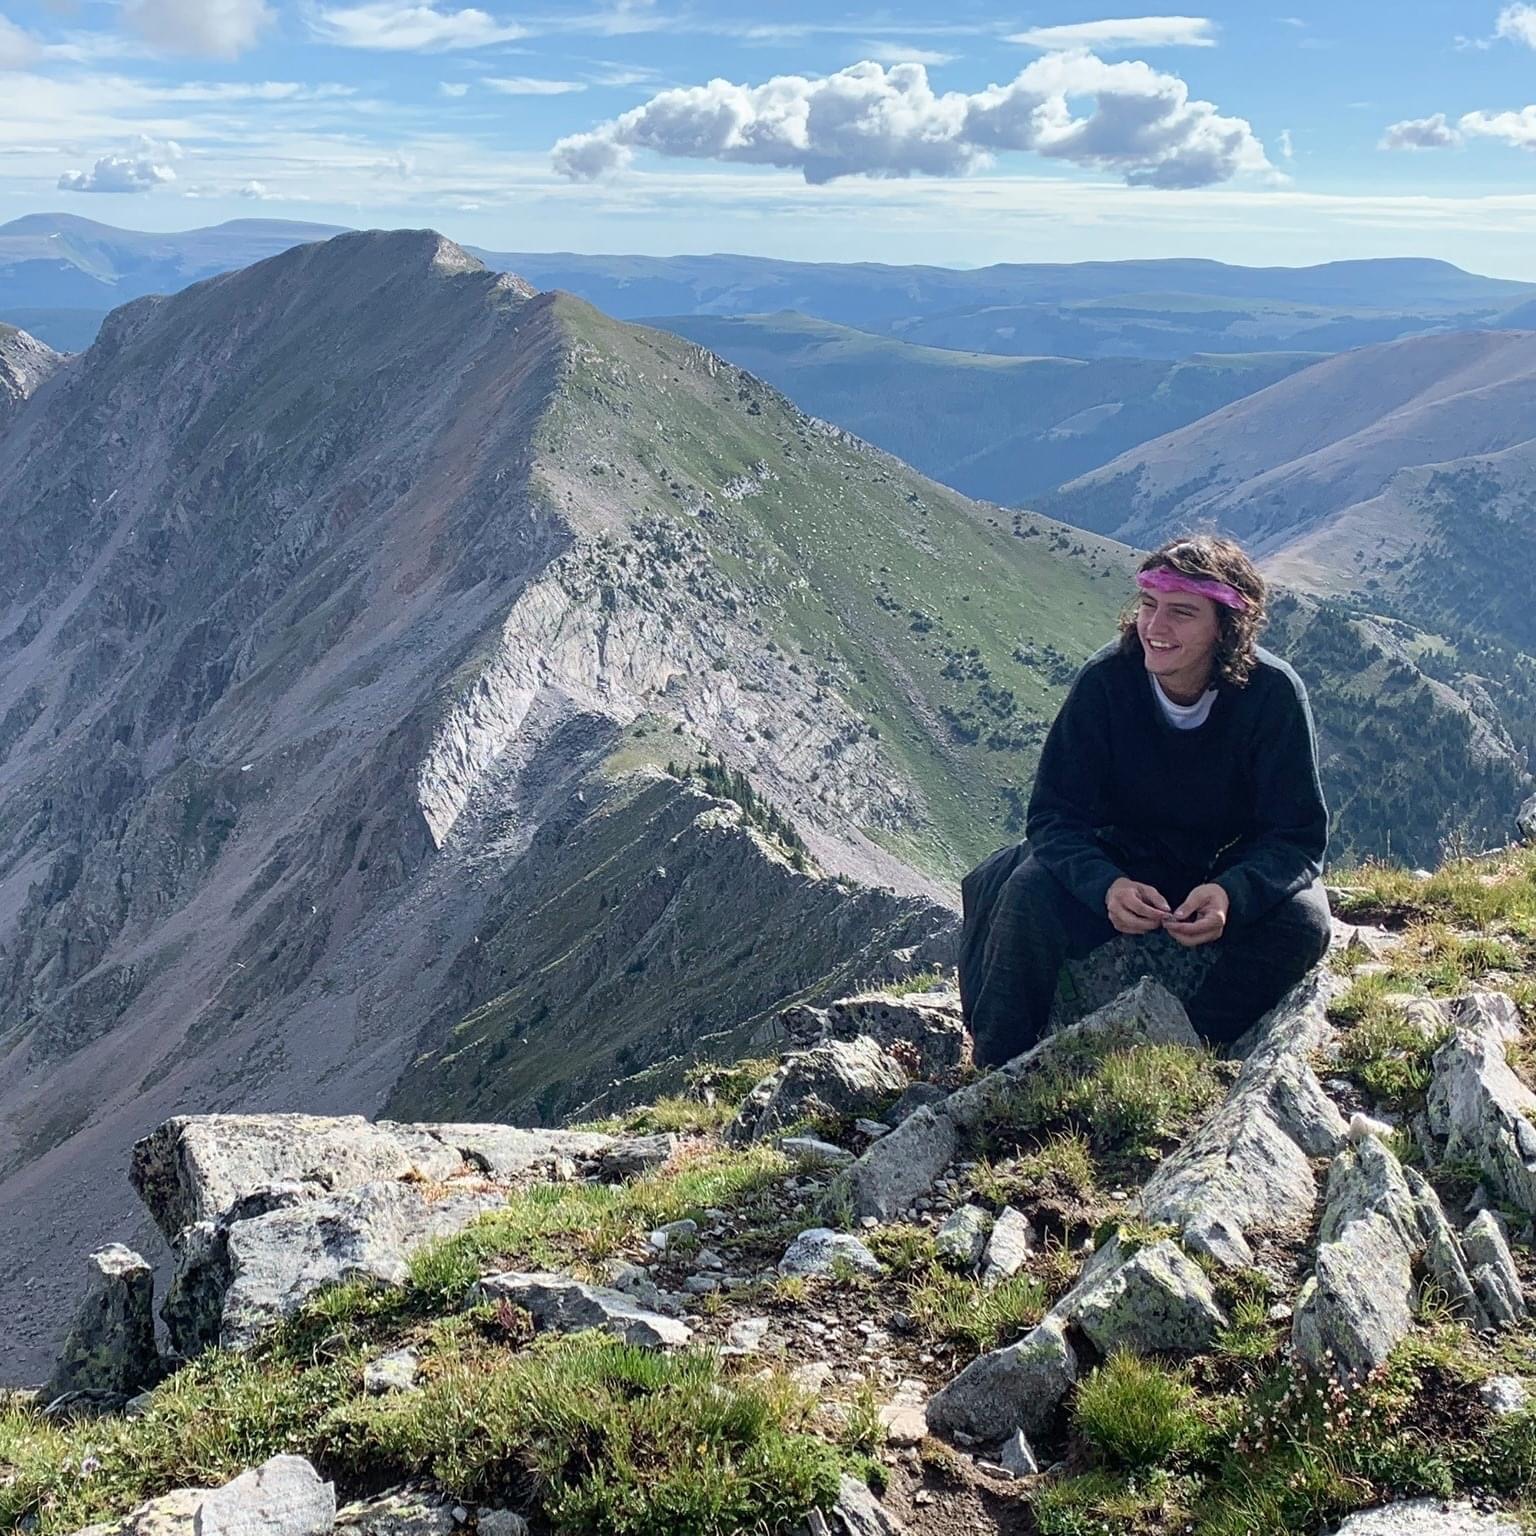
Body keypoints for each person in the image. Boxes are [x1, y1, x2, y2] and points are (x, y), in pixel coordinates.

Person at [958, 535, 1332, 1067]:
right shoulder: (1107, 682)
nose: (1155, 627)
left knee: (1305, 923)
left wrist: (1232, 894)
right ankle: (996, 1068)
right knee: (1028, 892)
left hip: (1224, 866)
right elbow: (1054, 816)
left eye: (1182, 612)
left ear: (1227, 627)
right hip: (1124, 856)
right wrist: (1105, 885)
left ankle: (1189, 1050)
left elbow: (1296, 836)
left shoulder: (1272, 694)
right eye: (1149, 605)